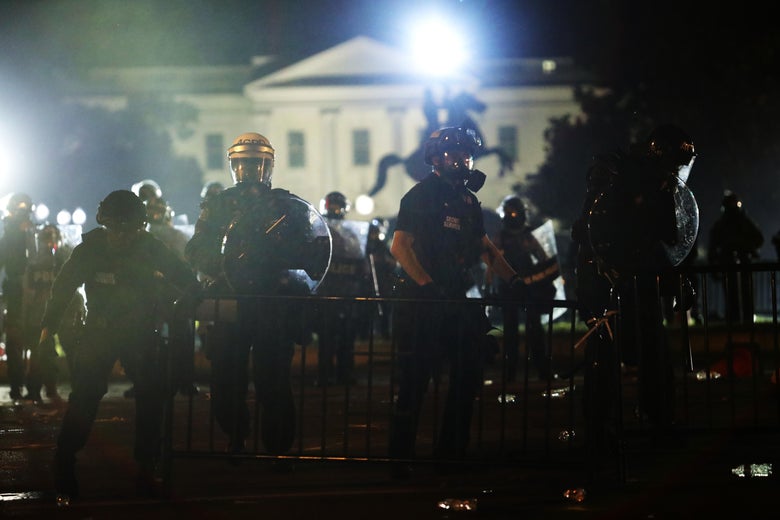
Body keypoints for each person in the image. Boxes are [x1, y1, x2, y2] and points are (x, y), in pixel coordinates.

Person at [43, 190, 199, 501]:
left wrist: (178, 307)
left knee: (151, 397)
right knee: (85, 397)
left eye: (128, 229)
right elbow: (63, 287)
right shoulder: (90, 249)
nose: (122, 236)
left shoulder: (150, 248)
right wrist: (49, 325)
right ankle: (64, 460)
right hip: (99, 332)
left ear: (139, 227)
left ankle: (145, 466)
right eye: (116, 228)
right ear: (105, 224)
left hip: (140, 332)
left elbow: (188, 281)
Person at [388, 126, 524, 475]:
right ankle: (399, 459)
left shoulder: (468, 201)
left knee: (468, 375)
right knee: (415, 380)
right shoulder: (420, 196)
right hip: (423, 302)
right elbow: (400, 246)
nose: (463, 159)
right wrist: (426, 285)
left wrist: (514, 279)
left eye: (467, 153)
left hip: (457, 300)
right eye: (454, 153)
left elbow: (484, 248)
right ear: (435, 158)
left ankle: (452, 451)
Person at [185, 132, 322, 457]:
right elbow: (195, 250)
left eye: (256, 164)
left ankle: (278, 447)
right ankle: (236, 434)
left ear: (269, 166)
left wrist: (279, 254)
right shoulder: (218, 206)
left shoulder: (287, 206)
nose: (249, 171)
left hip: (273, 301)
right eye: (243, 164)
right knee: (225, 380)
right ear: (233, 166)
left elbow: (310, 251)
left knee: (273, 379)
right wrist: (223, 262)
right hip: (230, 299)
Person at [571, 124, 698, 457]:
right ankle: (599, 432)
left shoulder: (661, 188)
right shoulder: (615, 172)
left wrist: (679, 278)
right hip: (605, 280)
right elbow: (588, 228)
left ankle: (660, 423)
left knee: (655, 352)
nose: (677, 173)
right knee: (604, 356)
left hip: (641, 280)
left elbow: (667, 241)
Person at [488, 195, 558, 381]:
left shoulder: (528, 235)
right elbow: (492, 262)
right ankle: (510, 372)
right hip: (509, 289)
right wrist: (490, 287)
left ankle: (542, 369)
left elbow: (544, 259)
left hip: (529, 289)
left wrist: (543, 281)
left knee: (534, 331)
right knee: (511, 333)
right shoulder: (501, 237)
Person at [313, 191, 370, 386]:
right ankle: (325, 375)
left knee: (346, 338)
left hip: (346, 294)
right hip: (329, 294)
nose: (335, 210)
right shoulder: (319, 232)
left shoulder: (351, 233)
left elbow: (361, 263)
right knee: (328, 339)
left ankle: (343, 374)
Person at [23, 224, 84, 404]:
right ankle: (40, 390)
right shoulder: (35, 264)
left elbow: (74, 286)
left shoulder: (64, 259)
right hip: (44, 312)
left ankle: (79, 389)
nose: (50, 243)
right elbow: (29, 290)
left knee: (70, 349)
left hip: (62, 310)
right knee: (43, 351)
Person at [707, 190, 764, 326]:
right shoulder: (738, 222)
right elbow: (713, 247)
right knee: (737, 294)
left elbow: (758, 239)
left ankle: (740, 321)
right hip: (734, 263)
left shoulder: (730, 223)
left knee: (741, 293)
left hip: (738, 263)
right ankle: (741, 321)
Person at [0, 192, 37, 401]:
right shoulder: (7, 238)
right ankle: (16, 386)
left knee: (39, 339)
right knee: (14, 341)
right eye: (19, 209)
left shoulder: (36, 234)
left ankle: (35, 386)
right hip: (15, 292)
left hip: (37, 293)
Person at [364, 217, 397, 338]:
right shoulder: (366, 244)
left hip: (383, 282)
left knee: (385, 308)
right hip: (367, 282)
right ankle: (365, 334)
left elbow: (393, 262)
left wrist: (385, 261)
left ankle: (384, 333)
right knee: (367, 309)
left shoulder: (382, 246)